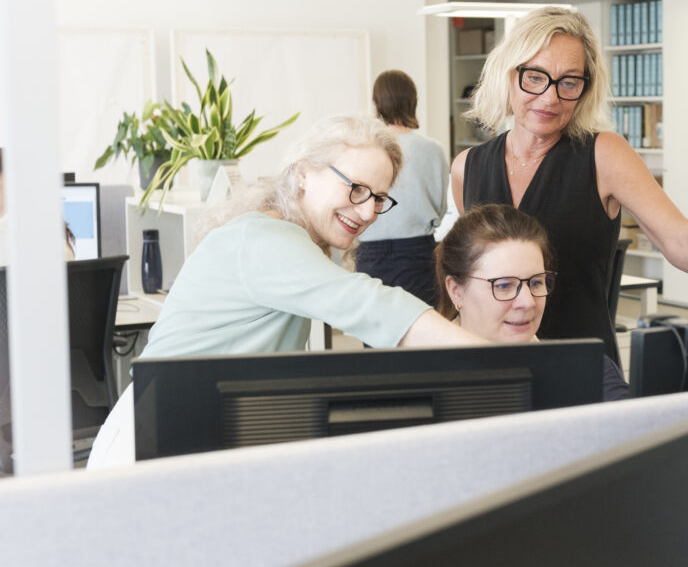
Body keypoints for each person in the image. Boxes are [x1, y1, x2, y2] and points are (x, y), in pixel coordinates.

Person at [87, 115, 483, 469]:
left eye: (379, 198)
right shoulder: (265, 238)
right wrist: (495, 358)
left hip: (190, 432)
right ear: (302, 175)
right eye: (356, 189)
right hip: (151, 439)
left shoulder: (288, 240)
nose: (367, 212)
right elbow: (373, 304)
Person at [453, 6, 688, 364]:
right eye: (534, 77)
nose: (550, 97)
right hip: (491, 366)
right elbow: (465, 283)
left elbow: (679, 237)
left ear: (585, 88)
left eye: (569, 82)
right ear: (508, 75)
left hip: (583, 366)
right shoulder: (466, 168)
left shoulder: (603, 154)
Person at [436, 203, 629, 401]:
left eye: (537, 282)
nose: (527, 302)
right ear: (456, 291)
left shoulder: (589, 371)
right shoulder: (422, 383)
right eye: (503, 286)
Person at [355, 70, 450, 306]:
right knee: (421, 330)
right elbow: (440, 208)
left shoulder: (363, 149)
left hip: (370, 251)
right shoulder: (432, 149)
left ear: (377, 103)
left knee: (375, 332)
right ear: (413, 101)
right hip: (418, 250)